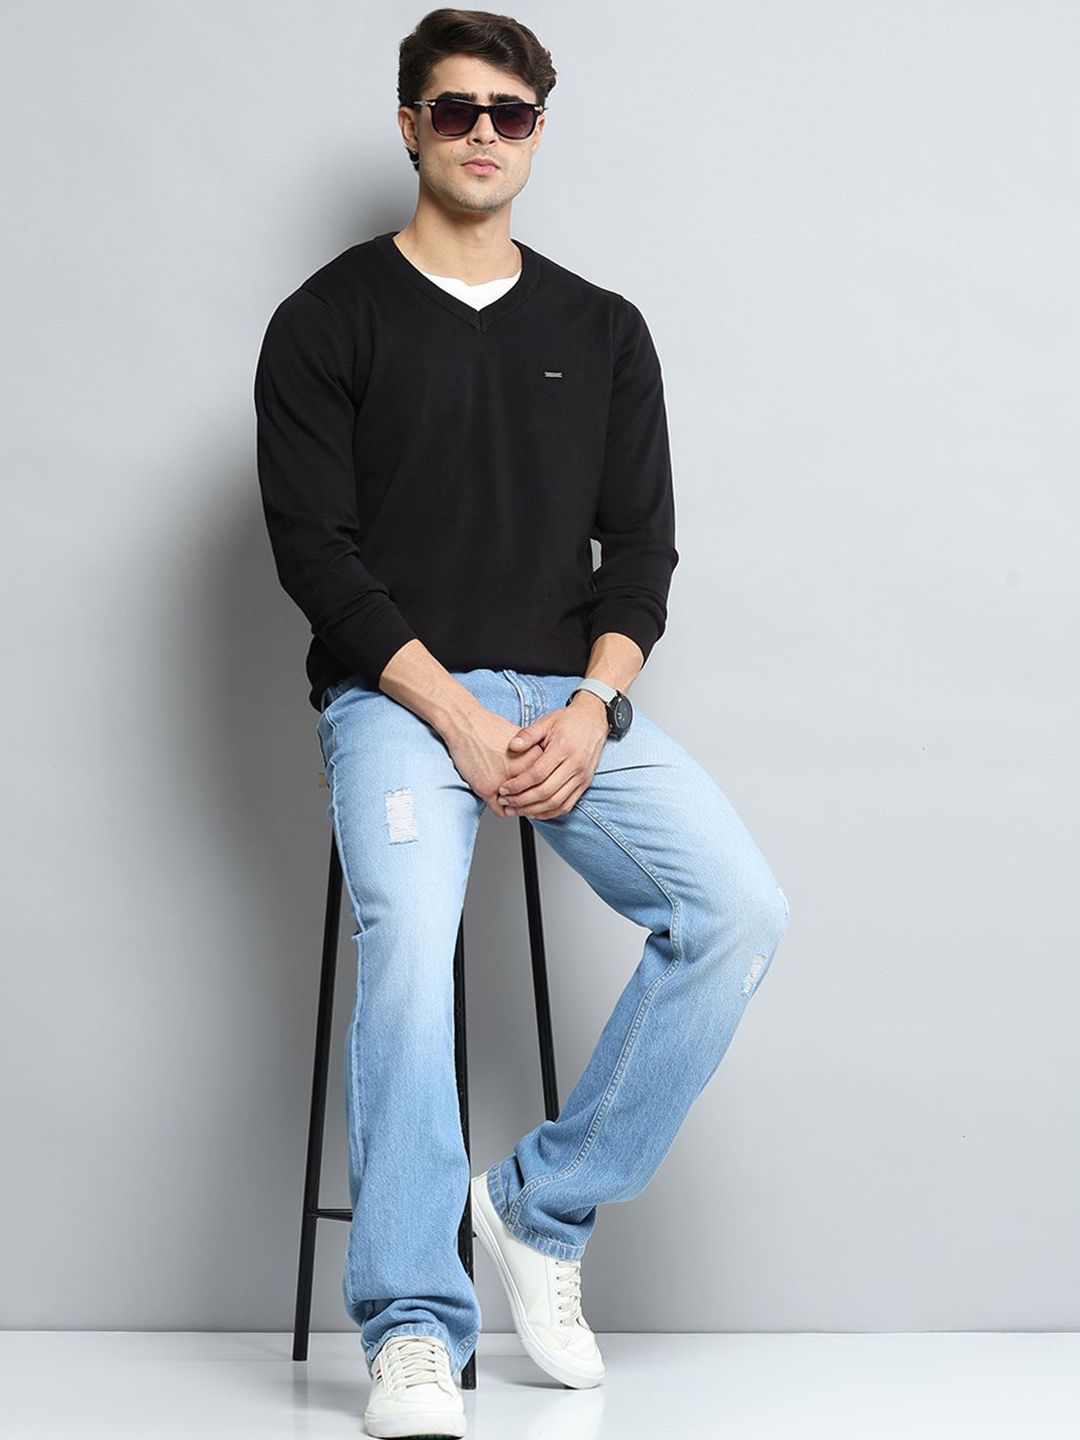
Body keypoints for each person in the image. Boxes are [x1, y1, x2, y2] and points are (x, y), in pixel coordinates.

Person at [254, 9, 789, 1436]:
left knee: (737, 910)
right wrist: (451, 714)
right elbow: (317, 555)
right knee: (410, 951)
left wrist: (597, 706)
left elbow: (642, 553)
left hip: (568, 702)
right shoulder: (327, 320)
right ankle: (411, 1330)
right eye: (454, 109)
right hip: (396, 697)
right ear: (409, 126)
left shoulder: (602, 330)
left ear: (540, 133)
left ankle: (540, 1208)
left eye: (510, 112)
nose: (482, 133)